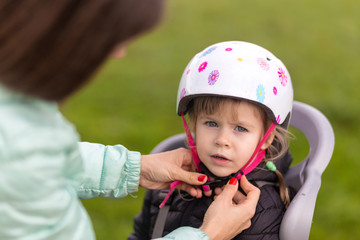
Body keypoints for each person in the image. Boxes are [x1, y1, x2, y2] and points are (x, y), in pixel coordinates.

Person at [0, 1, 260, 240]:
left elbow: (43, 163)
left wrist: (132, 168)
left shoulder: (18, 115)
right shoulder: (19, 144)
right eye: (108, 34)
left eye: (240, 128)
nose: (119, 52)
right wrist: (208, 235)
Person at [129, 41, 294, 240]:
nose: (222, 140)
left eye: (240, 128)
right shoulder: (168, 180)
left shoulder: (258, 208)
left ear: (267, 139)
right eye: (211, 123)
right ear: (192, 125)